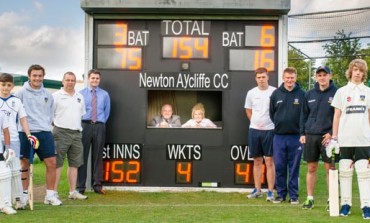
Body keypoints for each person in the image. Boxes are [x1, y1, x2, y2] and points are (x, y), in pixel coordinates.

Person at [329, 59, 370, 219]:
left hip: (364, 140)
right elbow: (337, 116)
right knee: (345, 173)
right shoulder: (341, 91)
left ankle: (366, 205)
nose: (358, 73)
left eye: (361, 70)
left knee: (364, 173)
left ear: (363, 73)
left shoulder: (367, 91)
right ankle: (345, 204)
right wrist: (334, 137)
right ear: (350, 71)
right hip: (345, 140)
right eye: (355, 70)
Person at [15, 64, 62, 206]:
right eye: (34, 75)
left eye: (40, 76)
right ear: (29, 76)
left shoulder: (48, 94)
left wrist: (44, 126)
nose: (37, 78)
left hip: (44, 133)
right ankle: (23, 197)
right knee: (24, 165)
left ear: (43, 77)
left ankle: (50, 195)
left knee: (52, 163)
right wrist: (27, 131)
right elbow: (18, 115)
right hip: (25, 133)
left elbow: (50, 113)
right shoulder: (21, 93)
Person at [299, 66, 338, 210]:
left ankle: (331, 200)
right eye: (319, 75)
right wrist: (302, 134)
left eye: (324, 75)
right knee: (311, 167)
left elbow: (338, 116)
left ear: (330, 76)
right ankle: (310, 199)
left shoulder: (337, 93)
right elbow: (303, 115)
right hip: (310, 136)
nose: (322, 77)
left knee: (330, 169)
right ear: (316, 77)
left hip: (327, 137)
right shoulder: (309, 94)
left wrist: (332, 134)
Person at [0, 73, 37, 210]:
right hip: (0, 141)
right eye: (3, 85)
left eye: (8, 85)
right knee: (2, 172)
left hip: (14, 139)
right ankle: (4, 202)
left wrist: (29, 135)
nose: (5, 88)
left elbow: (23, 119)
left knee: (15, 170)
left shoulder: (16, 101)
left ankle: (18, 199)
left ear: (12, 86)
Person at [269, 67, 305, 204]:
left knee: (294, 167)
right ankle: (281, 194)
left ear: (295, 78)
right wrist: (280, 125)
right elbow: (272, 114)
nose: (290, 80)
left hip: (296, 137)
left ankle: (294, 196)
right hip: (279, 136)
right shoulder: (276, 94)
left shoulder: (302, 94)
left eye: (292, 78)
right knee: (279, 166)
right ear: (283, 78)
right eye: (287, 78)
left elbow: (305, 114)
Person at [53, 72, 87, 200]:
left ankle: (73, 192)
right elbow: (50, 115)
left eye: (72, 80)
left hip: (77, 133)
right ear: (63, 81)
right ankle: (53, 193)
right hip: (61, 132)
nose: (70, 82)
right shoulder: (56, 96)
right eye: (67, 80)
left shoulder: (80, 97)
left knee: (75, 164)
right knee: (57, 164)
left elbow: (81, 114)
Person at [244, 67, 276, 201]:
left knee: (269, 161)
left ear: (267, 77)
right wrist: (255, 122)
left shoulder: (275, 92)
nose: (261, 79)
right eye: (259, 77)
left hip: (270, 130)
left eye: (263, 77)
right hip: (254, 131)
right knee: (257, 161)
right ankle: (257, 190)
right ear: (256, 78)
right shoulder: (251, 93)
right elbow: (248, 109)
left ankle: (270, 192)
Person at [77, 69, 111, 195]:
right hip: (85, 125)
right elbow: (78, 111)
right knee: (82, 157)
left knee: (98, 157)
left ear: (99, 80)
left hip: (99, 126)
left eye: (97, 78)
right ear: (88, 79)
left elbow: (106, 112)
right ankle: (80, 187)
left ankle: (97, 185)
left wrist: (98, 123)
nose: (95, 80)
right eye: (93, 78)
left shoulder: (105, 95)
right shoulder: (80, 94)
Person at [0, 112, 16, 214]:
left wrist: (8, 148)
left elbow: (5, 131)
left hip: (0, 151)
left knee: (5, 175)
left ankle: (5, 205)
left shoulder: (1, 113)